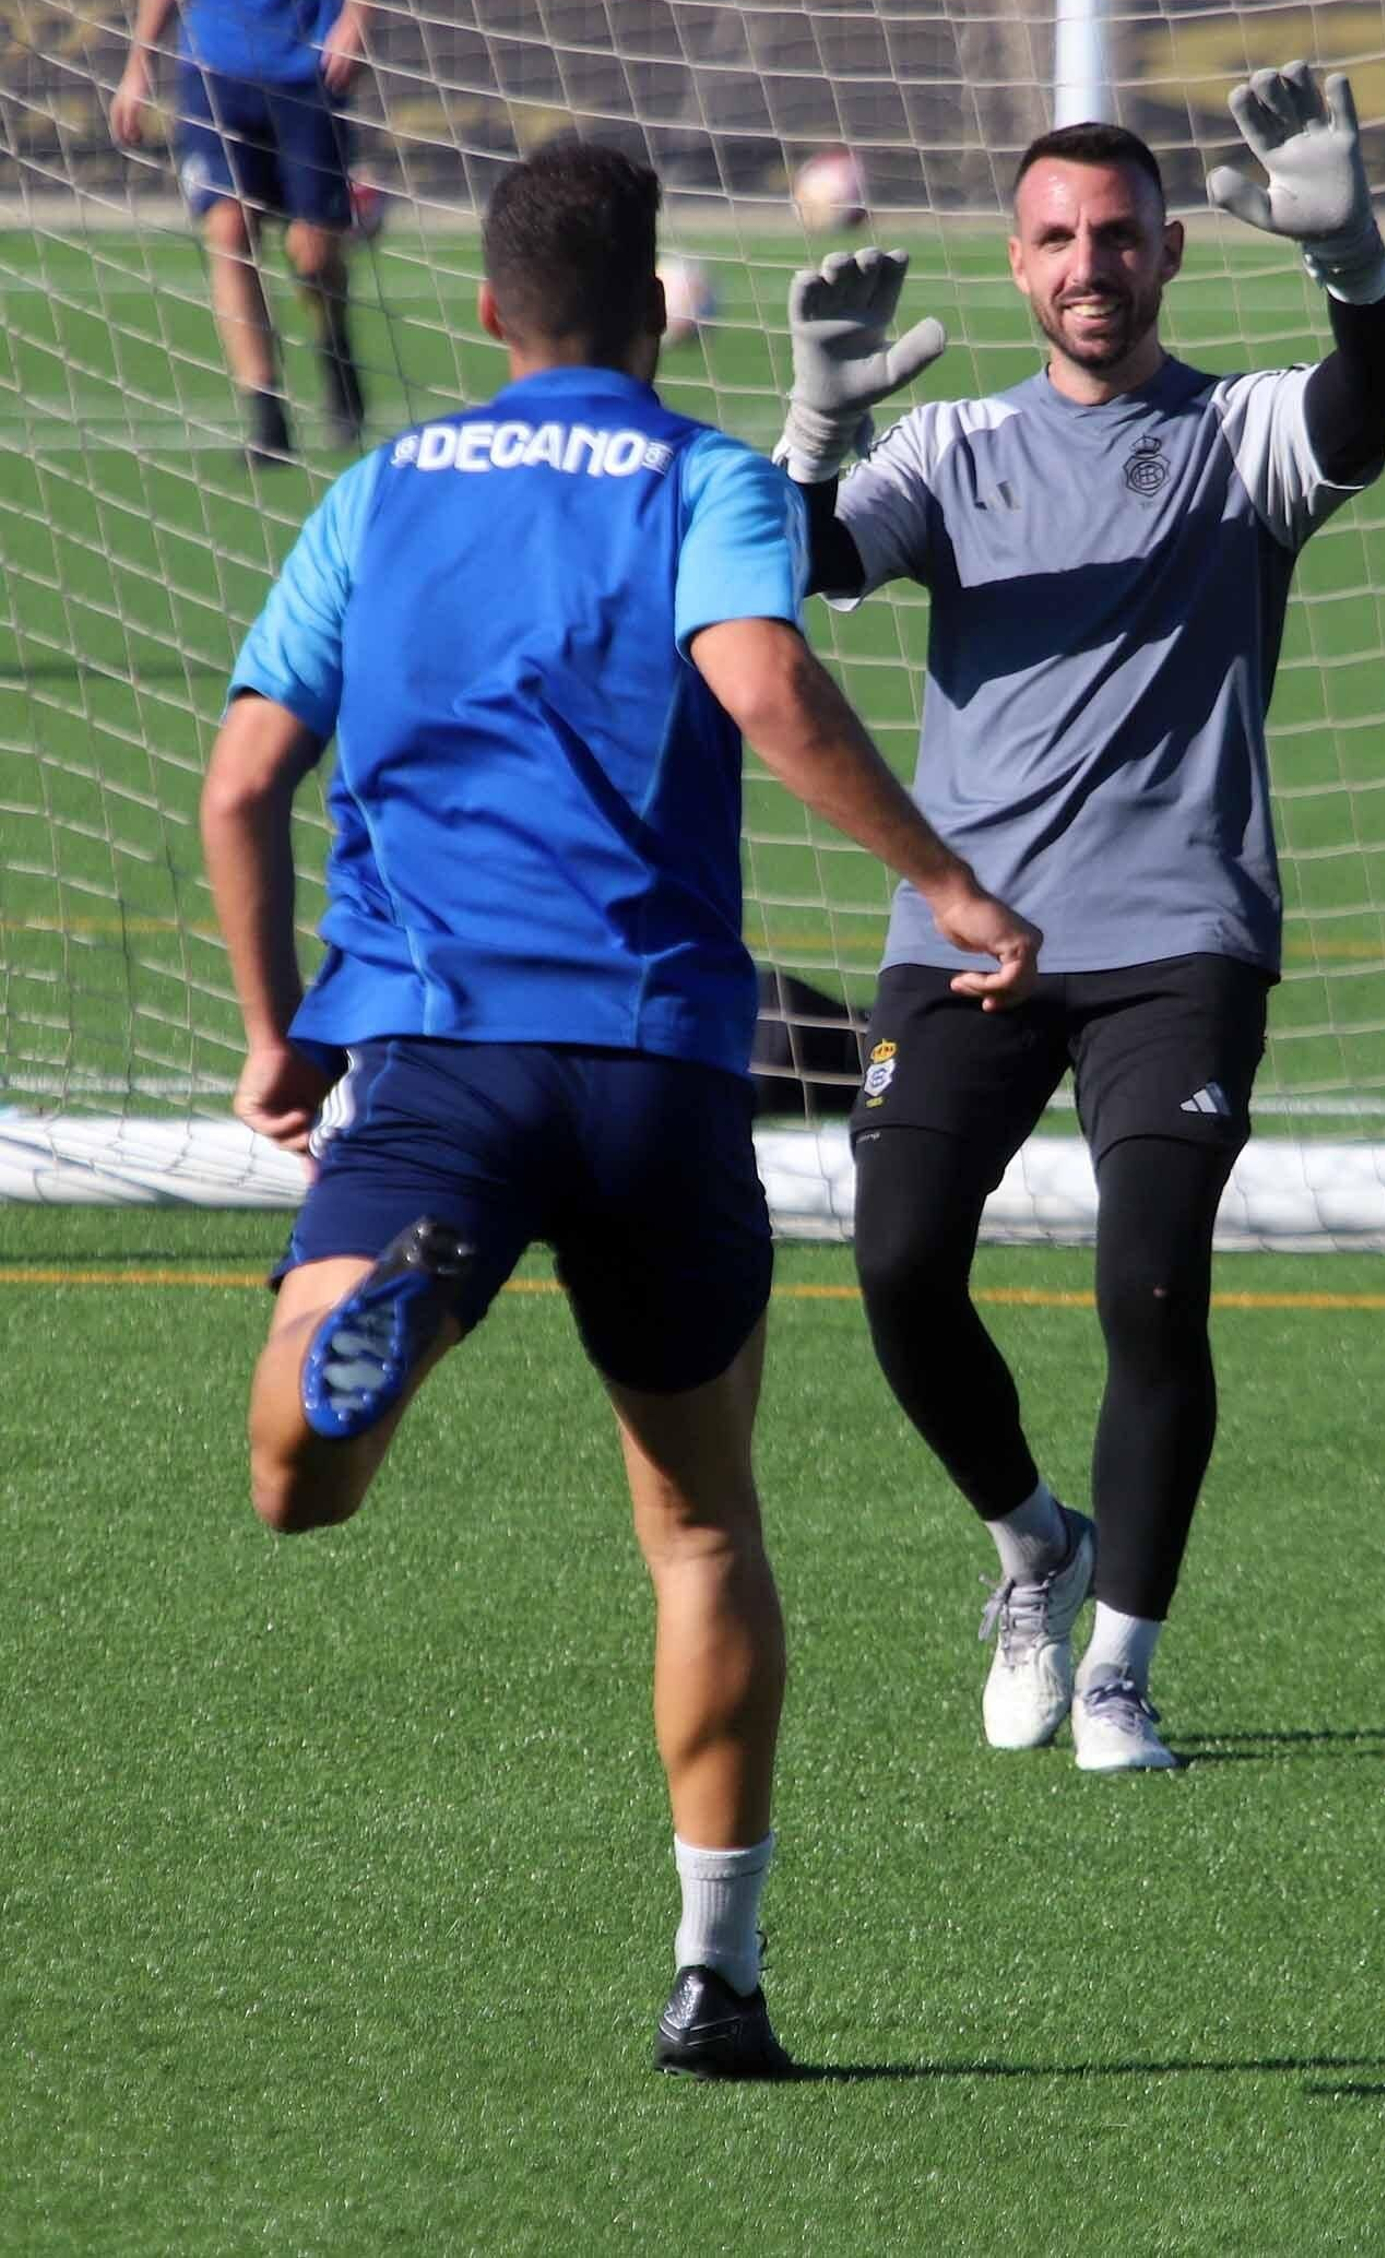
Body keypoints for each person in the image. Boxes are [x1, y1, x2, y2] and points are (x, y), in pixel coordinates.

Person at [199, 139, 1039, 2078]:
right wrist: (954, 882)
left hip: (435, 1047)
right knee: (699, 1530)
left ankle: (365, 1341)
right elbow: (758, 679)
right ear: (659, 306)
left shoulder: (382, 487)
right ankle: (716, 1978)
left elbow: (247, 783)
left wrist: (275, 1034)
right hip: (664, 1062)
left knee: (297, 1485)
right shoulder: (704, 478)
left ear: (490, 309)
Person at [777, 64, 1385, 1770]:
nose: (1088, 262)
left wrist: (1355, 264)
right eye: (1056, 236)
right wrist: (816, 428)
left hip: (1178, 934)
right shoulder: (953, 446)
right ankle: (1030, 1547)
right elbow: (799, 569)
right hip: (970, 936)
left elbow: (1364, 405)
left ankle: (1120, 1663)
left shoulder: (1239, 436)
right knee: (900, 1259)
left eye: (1118, 233)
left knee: (1150, 1290)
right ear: (1016, 262)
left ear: (1173, 250)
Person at [110, 0, 386, 467]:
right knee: (228, 228)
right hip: (215, 65)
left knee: (311, 248)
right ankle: (265, 413)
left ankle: (335, 351)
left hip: (303, 61)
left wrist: (355, 17)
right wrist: (138, 64)